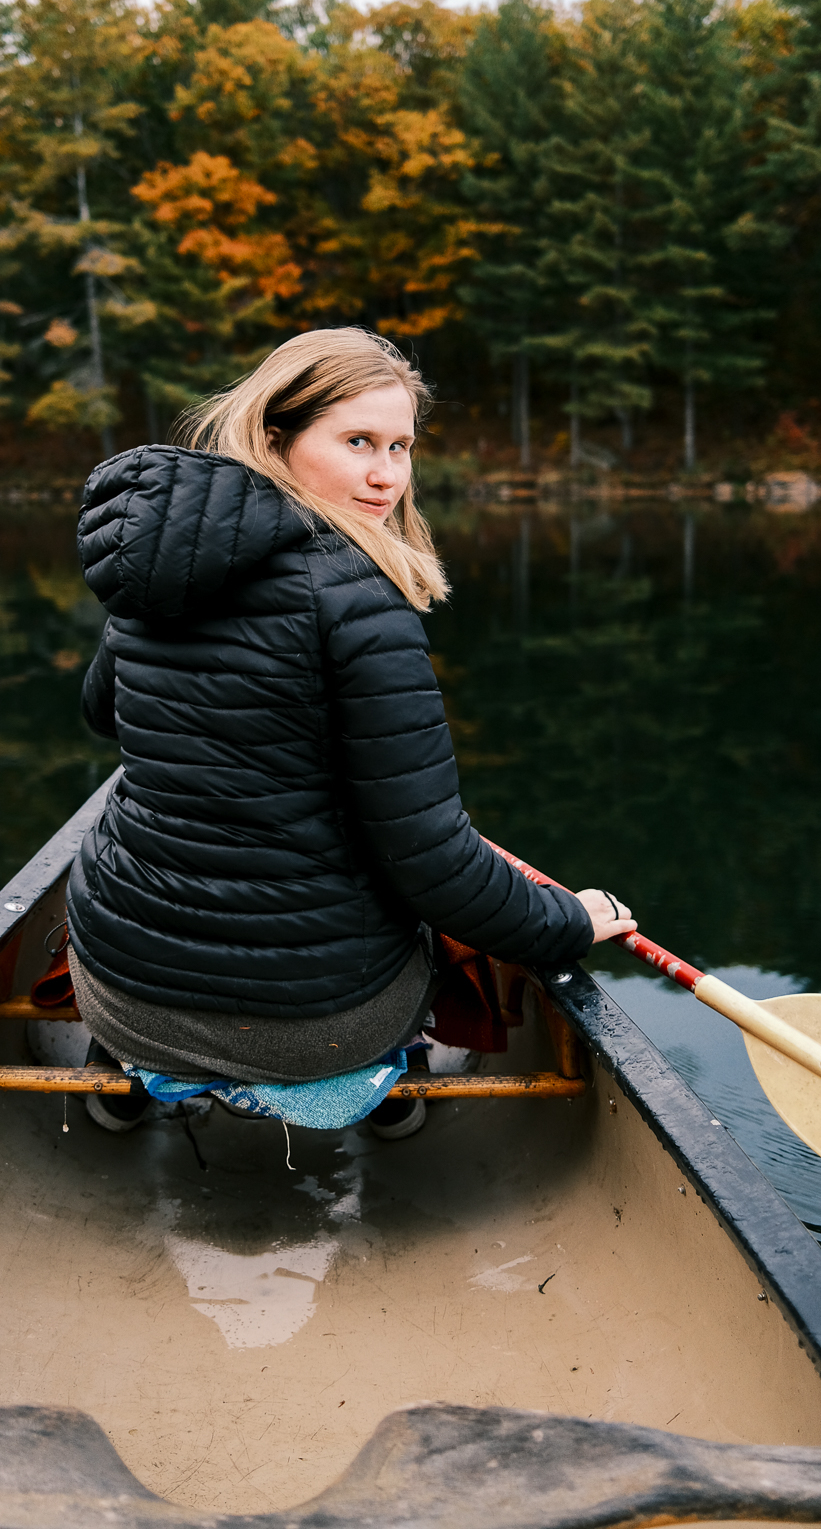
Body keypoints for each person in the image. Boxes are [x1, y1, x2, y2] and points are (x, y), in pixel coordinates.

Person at [66, 327, 635, 1137]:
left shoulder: (158, 565)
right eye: (358, 441)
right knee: (433, 933)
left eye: (401, 446)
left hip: (125, 995)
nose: (386, 475)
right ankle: (392, 1077)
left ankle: (123, 1067)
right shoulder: (357, 598)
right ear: (275, 436)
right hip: (316, 1029)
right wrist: (568, 921)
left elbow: (103, 713)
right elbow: (434, 866)